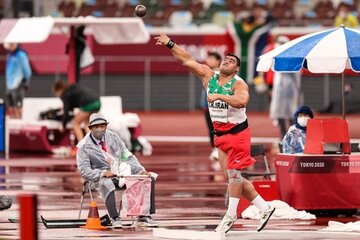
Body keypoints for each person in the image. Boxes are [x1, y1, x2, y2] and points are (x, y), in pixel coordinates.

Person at [154, 33, 275, 233]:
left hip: (238, 134)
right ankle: (265, 207)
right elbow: (186, 59)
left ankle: (230, 215)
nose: (227, 61)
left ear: (236, 68)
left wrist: (219, 95)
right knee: (229, 177)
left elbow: (242, 101)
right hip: (220, 135)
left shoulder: (238, 83)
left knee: (234, 176)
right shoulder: (209, 75)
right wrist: (170, 44)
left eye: (231, 61)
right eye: (225, 59)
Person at [76, 112, 158, 227]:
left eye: (102, 126)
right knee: (107, 183)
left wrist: (140, 170)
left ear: (106, 126)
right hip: (97, 179)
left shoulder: (113, 136)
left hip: (119, 174)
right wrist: (103, 173)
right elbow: (84, 171)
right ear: (90, 128)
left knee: (148, 178)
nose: (100, 129)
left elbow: (126, 155)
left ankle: (144, 216)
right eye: (96, 127)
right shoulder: (83, 146)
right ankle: (115, 218)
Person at [268, 35, 301, 139]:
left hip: (290, 88)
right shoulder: (275, 55)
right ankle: (283, 134)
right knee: (278, 112)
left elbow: (296, 74)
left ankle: (292, 134)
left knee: (291, 112)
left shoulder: (293, 56)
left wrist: (297, 88)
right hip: (279, 87)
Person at [53, 80, 101, 144]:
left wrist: (63, 125)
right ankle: (92, 145)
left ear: (59, 90)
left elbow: (66, 112)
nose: (57, 95)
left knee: (75, 123)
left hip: (89, 104)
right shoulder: (72, 87)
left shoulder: (65, 94)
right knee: (87, 123)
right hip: (98, 102)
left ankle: (81, 146)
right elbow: (74, 102)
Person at [200, 52, 221, 163]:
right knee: (210, 128)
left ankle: (220, 148)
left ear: (218, 61)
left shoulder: (223, 73)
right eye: (208, 58)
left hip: (218, 106)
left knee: (219, 127)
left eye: (212, 59)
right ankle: (214, 149)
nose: (209, 60)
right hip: (207, 105)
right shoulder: (206, 72)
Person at [4, 42, 32, 118]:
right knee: (11, 105)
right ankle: (14, 121)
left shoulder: (21, 55)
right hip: (9, 85)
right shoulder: (9, 55)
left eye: (12, 44)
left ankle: (20, 120)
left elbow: (27, 70)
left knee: (18, 105)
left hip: (18, 83)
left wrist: (26, 81)